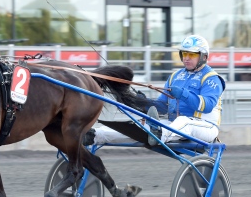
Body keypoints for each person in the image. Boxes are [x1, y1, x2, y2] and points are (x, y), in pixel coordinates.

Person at [84, 34, 226, 146]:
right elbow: (163, 108)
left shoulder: (212, 78)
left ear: (204, 57)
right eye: (184, 54)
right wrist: (143, 102)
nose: (187, 58)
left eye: (192, 55)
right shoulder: (175, 76)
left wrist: (183, 94)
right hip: (174, 126)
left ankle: (159, 135)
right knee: (140, 128)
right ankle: (96, 135)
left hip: (204, 127)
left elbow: (206, 106)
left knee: (183, 122)